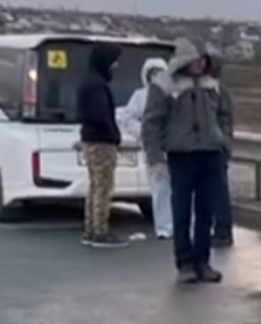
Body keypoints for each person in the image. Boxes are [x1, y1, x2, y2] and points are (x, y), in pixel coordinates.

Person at [141, 39, 233, 284]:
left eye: (203, 59)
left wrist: (224, 144)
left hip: (210, 152)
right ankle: (184, 262)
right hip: (181, 153)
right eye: (196, 59)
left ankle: (202, 261)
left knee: (206, 210)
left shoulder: (213, 84)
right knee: (181, 209)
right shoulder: (165, 84)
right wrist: (156, 157)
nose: (200, 64)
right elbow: (152, 122)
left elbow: (225, 115)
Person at [77, 42, 128, 248]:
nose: (115, 66)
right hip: (102, 141)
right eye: (113, 62)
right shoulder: (97, 86)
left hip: (90, 139)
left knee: (94, 185)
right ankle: (100, 231)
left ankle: (91, 228)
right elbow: (101, 116)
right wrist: (114, 135)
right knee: (103, 186)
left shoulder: (87, 82)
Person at [118, 56, 173, 240]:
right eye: (153, 73)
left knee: (176, 189)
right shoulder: (140, 96)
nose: (156, 77)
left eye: (159, 73)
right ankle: (164, 226)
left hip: (173, 147)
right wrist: (143, 132)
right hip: (153, 147)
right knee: (159, 189)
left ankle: (179, 224)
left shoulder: (172, 94)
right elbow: (127, 118)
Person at [206, 54, 235, 248]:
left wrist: (222, 144)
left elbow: (224, 121)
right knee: (215, 190)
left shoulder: (217, 92)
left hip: (216, 147)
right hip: (213, 146)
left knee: (219, 191)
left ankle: (223, 230)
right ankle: (219, 228)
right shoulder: (214, 90)